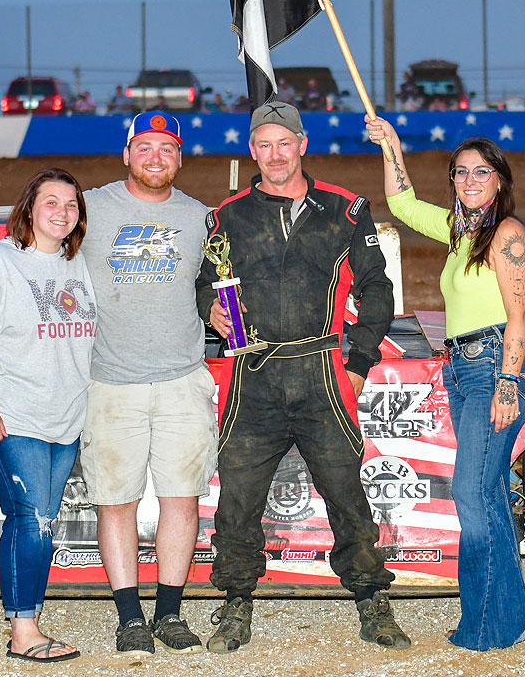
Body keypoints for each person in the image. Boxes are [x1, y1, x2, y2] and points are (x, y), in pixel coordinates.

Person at [198, 101, 409, 653]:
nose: (274, 155)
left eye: (283, 143)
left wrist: (360, 360)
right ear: (252, 150)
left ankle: (371, 599)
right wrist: (210, 310)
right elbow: (207, 282)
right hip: (254, 373)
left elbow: (377, 289)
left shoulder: (345, 209)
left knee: (345, 493)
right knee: (238, 499)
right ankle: (236, 602)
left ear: (301, 145)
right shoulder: (228, 215)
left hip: (321, 374)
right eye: (263, 145)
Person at [364, 115, 525, 652]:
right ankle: (513, 618)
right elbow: (401, 204)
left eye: (480, 172)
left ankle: (488, 625)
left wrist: (508, 382)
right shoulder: (460, 233)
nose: (469, 181)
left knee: (472, 494)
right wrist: (392, 146)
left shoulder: (507, 235)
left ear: (500, 181)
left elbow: (519, 316)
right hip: (463, 371)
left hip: (494, 369)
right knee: (484, 495)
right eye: (460, 173)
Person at [80, 110, 216, 657]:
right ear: (127, 155)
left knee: (181, 500)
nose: (155, 157)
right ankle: (129, 616)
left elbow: (222, 285)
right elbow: (33, 245)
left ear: (179, 158)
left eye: (167, 148)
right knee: (116, 503)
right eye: (145, 147)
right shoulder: (89, 207)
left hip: (183, 381)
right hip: (108, 383)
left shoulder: (204, 219)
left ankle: (169, 612)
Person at [0, 167, 94, 664]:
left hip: (64, 416)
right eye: (51, 202)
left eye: (71, 205)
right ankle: (23, 631)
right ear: (29, 207)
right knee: (28, 516)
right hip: (11, 414)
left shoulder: (79, 265)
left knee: (44, 521)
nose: (62, 213)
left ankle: (28, 618)